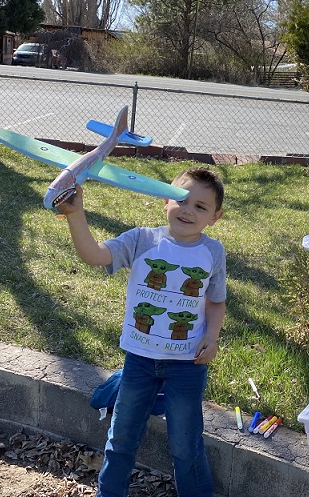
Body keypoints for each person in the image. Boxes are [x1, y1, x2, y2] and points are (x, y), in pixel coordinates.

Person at [58, 166, 226, 497]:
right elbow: (94, 255)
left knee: (185, 445)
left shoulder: (213, 252)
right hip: (139, 361)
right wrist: (76, 214)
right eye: (182, 200)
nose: (188, 210)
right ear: (165, 200)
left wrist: (212, 336)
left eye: (200, 207)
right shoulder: (141, 240)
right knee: (121, 438)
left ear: (215, 217)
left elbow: (216, 301)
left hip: (188, 366)